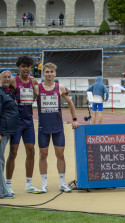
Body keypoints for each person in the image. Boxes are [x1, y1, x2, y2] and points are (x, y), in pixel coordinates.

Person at [34, 62, 79, 193]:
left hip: (57, 127)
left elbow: (70, 103)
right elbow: (26, 102)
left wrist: (75, 119)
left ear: (55, 73)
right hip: (43, 127)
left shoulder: (60, 88)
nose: (49, 74)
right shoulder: (37, 89)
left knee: (60, 154)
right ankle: (44, 184)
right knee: (43, 154)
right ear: (43, 74)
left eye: (51, 72)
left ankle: (62, 183)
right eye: (46, 72)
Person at [6, 56, 40, 195]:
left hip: (28, 120)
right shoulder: (13, 81)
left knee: (31, 151)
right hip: (16, 121)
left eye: (28, 66)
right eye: (23, 66)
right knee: (13, 152)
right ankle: (8, 184)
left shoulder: (33, 81)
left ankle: (29, 184)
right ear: (19, 67)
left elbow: (37, 94)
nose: (26, 68)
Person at [0, 70, 19, 199]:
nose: (7, 79)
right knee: (0, 161)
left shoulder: (9, 92)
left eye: (9, 77)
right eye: (4, 77)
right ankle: (3, 192)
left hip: (7, 131)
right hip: (2, 131)